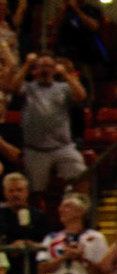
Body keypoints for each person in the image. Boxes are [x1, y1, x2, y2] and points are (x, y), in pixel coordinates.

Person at [5, 55, 89, 200]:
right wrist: (27, 64)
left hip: (63, 146)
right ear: (35, 71)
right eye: (41, 67)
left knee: (81, 175)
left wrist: (65, 74)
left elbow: (81, 95)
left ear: (54, 70)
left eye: (49, 66)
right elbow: (12, 87)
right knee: (35, 191)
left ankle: (83, 212)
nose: (45, 70)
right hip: (35, 149)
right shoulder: (28, 87)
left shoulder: (62, 87)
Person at [37, 194, 110, 274]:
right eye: (61, 206)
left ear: (81, 211)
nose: (60, 210)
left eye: (67, 206)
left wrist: (81, 259)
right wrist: (63, 257)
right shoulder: (51, 238)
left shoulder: (96, 238)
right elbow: (41, 268)